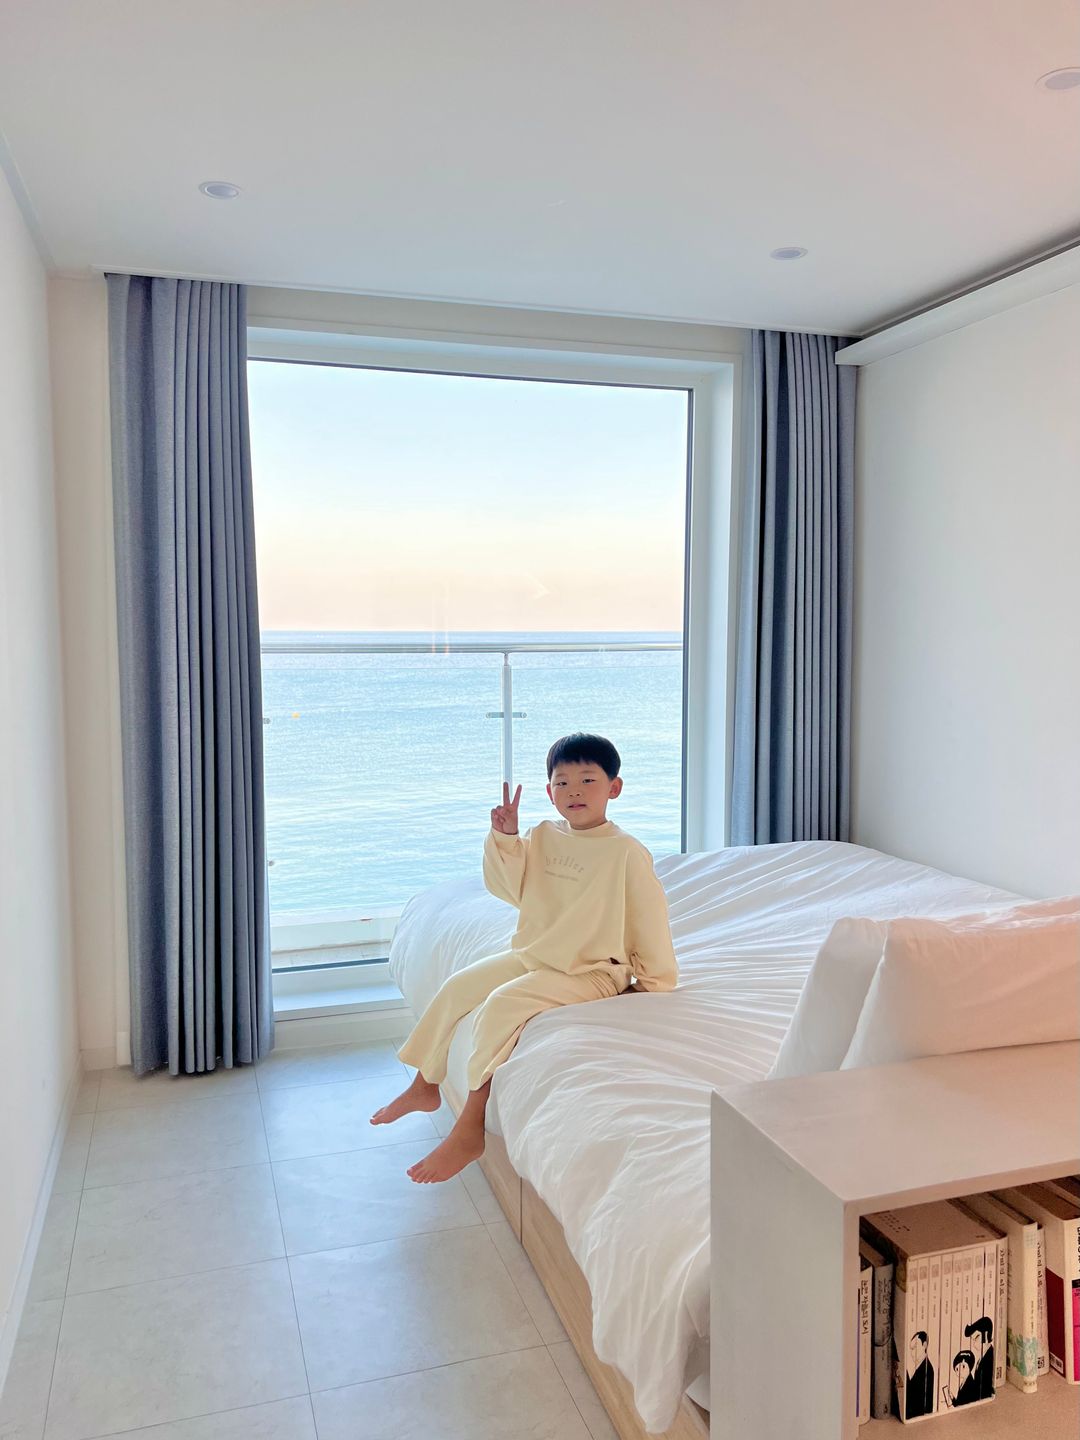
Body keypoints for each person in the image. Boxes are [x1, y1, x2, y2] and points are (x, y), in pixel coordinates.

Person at [371, 732, 679, 1183]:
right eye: (561, 782)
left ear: (614, 788)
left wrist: (652, 982)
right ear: (550, 793)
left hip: (591, 972)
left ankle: (470, 1126)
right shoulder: (545, 836)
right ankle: (425, 1084)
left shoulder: (626, 852)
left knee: (501, 1006)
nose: (574, 791)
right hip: (536, 954)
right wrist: (506, 836)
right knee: (458, 988)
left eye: (588, 780)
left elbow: (648, 919)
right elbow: (509, 888)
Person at [905, 1331, 935, 1418]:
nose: (912, 1352)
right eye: (911, 1349)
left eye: (915, 1347)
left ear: (924, 1345)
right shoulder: (919, 1367)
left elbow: (919, 1400)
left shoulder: (927, 1369)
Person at [965, 1317, 995, 1400]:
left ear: (985, 1335)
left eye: (976, 1338)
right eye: (973, 1340)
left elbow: (985, 1387)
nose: (974, 1343)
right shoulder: (983, 1356)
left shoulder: (989, 1356)